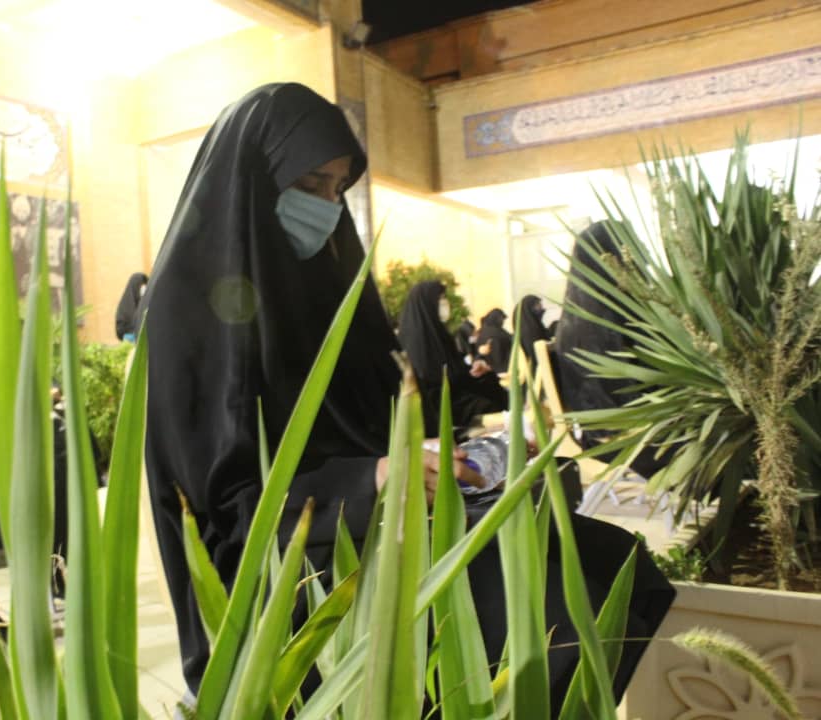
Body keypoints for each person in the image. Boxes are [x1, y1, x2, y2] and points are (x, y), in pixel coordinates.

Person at [140, 83, 673, 710]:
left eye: (338, 189)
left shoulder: (319, 292)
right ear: (252, 183)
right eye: (310, 184)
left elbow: (370, 421)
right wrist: (370, 478)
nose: (327, 207)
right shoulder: (188, 318)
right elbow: (223, 508)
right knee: (555, 599)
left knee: (615, 564)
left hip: (372, 523)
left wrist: (441, 458)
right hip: (281, 567)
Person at [556, 220, 670, 478]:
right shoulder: (611, 323)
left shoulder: (575, 320)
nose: (643, 255)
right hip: (633, 440)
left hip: (625, 434)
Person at [398, 281, 506, 436]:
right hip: (440, 406)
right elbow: (433, 382)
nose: (445, 303)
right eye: (441, 299)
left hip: (454, 395)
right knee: (487, 408)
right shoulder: (416, 341)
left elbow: (455, 371)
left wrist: (474, 372)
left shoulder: (438, 334)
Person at [514, 294, 552, 369]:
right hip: (539, 369)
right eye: (538, 305)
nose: (542, 308)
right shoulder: (529, 331)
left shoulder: (534, 325)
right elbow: (536, 354)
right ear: (530, 308)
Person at [475, 307, 511, 374]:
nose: (502, 322)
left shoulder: (484, 330)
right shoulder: (495, 332)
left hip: (492, 370)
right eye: (502, 320)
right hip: (503, 369)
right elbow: (498, 356)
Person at [114, 272, 148, 342]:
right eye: (141, 286)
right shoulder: (125, 307)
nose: (144, 289)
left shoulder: (144, 303)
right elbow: (120, 329)